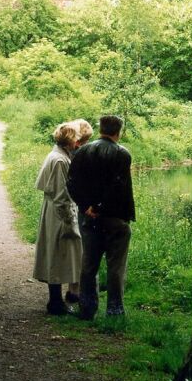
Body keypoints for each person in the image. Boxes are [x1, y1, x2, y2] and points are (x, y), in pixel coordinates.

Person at [67, 114, 135, 319]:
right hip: (115, 217)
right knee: (116, 266)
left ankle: (87, 309)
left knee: (89, 264)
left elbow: (71, 182)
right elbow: (117, 186)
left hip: (89, 217)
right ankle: (115, 311)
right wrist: (98, 206)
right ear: (118, 132)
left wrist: (86, 206)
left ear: (101, 129)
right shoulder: (123, 154)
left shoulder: (82, 151)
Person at [33, 122, 82, 315]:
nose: (78, 142)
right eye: (76, 138)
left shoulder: (57, 156)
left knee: (56, 253)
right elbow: (62, 195)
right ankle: (55, 302)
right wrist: (70, 222)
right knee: (58, 253)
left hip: (53, 209)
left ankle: (56, 301)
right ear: (70, 140)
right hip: (58, 212)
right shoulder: (60, 160)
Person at [64, 118, 94, 304]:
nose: (85, 144)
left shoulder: (75, 153)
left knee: (79, 249)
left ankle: (75, 289)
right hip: (76, 205)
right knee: (78, 249)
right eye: (83, 140)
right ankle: (74, 290)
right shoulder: (73, 156)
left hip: (77, 204)